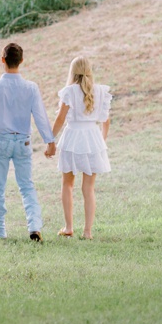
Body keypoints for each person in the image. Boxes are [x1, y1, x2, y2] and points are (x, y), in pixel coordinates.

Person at [0, 42, 56, 242]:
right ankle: (34, 226)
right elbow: (40, 116)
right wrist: (50, 141)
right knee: (27, 186)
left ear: (2, 60)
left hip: (1, 141)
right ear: (21, 61)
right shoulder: (31, 88)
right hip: (23, 143)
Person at [45, 55, 112, 238]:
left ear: (72, 72)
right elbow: (106, 120)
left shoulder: (69, 91)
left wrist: (50, 140)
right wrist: (102, 140)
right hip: (92, 138)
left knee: (67, 184)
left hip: (73, 137)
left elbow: (60, 119)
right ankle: (88, 231)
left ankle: (68, 227)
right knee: (88, 188)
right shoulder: (99, 91)